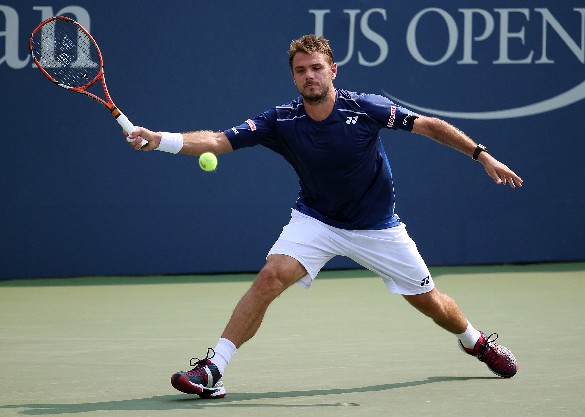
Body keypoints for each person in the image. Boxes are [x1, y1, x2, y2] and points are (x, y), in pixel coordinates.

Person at [127, 34, 523, 399]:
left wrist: (482, 155)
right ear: (294, 78)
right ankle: (213, 370)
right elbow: (216, 140)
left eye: (316, 68)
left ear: (333, 71)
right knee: (270, 278)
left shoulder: (365, 107)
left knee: (431, 302)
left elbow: (429, 126)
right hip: (316, 220)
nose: (309, 76)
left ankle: (476, 341)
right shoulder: (280, 120)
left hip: (377, 227)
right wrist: (159, 141)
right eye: (301, 71)